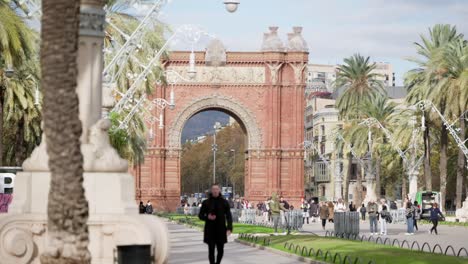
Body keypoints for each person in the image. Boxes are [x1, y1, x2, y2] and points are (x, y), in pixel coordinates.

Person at [199, 183, 233, 264]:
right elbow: (200, 215)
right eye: (213, 189)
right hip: (210, 230)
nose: (215, 191)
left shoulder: (224, 202)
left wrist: (229, 228)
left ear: (219, 190)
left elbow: (229, 216)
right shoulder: (206, 202)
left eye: (216, 189)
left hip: (221, 230)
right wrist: (207, 217)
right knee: (211, 250)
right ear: (211, 190)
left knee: (220, 250)